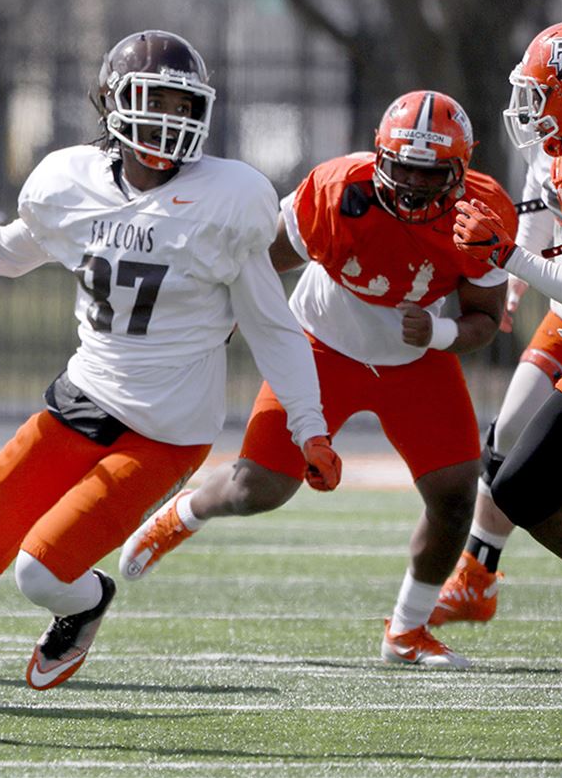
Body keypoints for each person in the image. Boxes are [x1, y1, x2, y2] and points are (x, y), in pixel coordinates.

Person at [0, 30, 339, 740]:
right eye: (152, 99)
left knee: (39, 576)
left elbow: (272, 326)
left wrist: (309, 423)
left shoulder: (228, 198)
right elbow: (4, 252)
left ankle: (86, 600)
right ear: (112, 105)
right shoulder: (69, 181)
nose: (167, 117)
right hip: (80, 398)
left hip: (167, 432)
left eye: (181, 102)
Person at [121, 89, 516, 669]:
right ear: (380, 156)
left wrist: (437, 335)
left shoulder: (482, 213)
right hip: (319, 346)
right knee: (257, 489)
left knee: (456, 497)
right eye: (403, 166)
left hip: (417, 362)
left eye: (429, 174)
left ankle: (406, 632)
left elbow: (486, 318)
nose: (411, 184)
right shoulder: (337, 191)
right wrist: (216, 316)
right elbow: (256, 260)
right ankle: (186, 511)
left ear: (460, 171)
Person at [450, 22, 562, 559]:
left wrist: (507, 258)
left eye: (540, 94)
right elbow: (542, 205)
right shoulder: (552, 146)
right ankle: (477, 575)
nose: (528, 107)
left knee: (524, 484)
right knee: (515, 460)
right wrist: (518, 274)